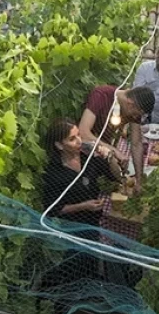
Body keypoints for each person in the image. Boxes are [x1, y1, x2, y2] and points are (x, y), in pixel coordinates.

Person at [39, 118, 122, 295]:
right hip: (72, 228)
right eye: (72, 138)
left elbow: (116, 176)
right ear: (59, 146)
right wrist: (83, 206)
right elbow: (52, 209)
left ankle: (87, 286)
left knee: (90, 258)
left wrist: (109, 156)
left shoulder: (87, 157)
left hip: (93, 222)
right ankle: (62, 292)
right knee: (75, 262)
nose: (79, 141)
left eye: (78, 135)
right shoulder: (55, 174)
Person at [78, 85, 154, 194]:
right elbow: (83, 132)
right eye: (135, 114)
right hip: (85, 150)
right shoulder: (101, 95)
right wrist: (115, 151)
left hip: (105, 151)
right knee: (90, 188)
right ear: (130, 104)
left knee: (118, 183)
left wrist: (139, 180)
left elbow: (136, 144)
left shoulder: (135, 108)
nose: (134, 117)